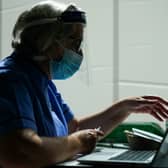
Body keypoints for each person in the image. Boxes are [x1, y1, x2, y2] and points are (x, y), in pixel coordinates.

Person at [0, 0, 168, 168]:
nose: (78, 52)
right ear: (46, 41)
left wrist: (123, 108)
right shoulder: (11, 81)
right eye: (74, 42)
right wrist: (78, 143)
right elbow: (21, 153)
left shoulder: (42, 82)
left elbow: (74, 128)